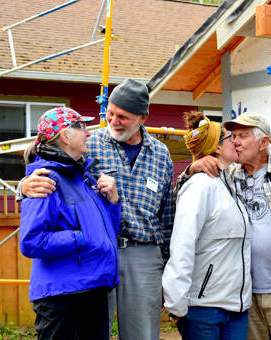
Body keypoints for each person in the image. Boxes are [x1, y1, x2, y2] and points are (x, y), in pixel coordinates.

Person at [20, 79, 176, 339]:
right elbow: (47, 166)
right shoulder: (88, 144)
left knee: (142, 334)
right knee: (93, 329)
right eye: (110, 113)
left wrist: (167, 264)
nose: (113, 121)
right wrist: (23, 187)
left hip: (144, 255)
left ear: (143, 118)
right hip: (94, 256)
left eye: (122, 117)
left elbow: (167, 213)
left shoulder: (161, 154)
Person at [178, 112, 271, 340]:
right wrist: (192, 168)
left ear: (263, 142)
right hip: (245, 296)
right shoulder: (228, 173)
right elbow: (183, 191)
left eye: (243, 136)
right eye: (232, 136)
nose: (235, 142)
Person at [19, 107, 121, 340]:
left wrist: (113, 202)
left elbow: (108, 233)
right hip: (62, 299)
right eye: (82, 127)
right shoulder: (45, 179)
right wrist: (81, 238)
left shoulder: (83, 178)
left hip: (92, 290)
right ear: (65, 136)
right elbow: (31, 241)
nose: (88, 133)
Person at [162, 111, 251, 340]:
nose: (236, 142)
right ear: (218, 148)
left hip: (237, 307)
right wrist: (177, 304)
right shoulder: (200, 186)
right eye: (230, 138)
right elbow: (182, 245)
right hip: (204, 308)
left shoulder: (229, 182)